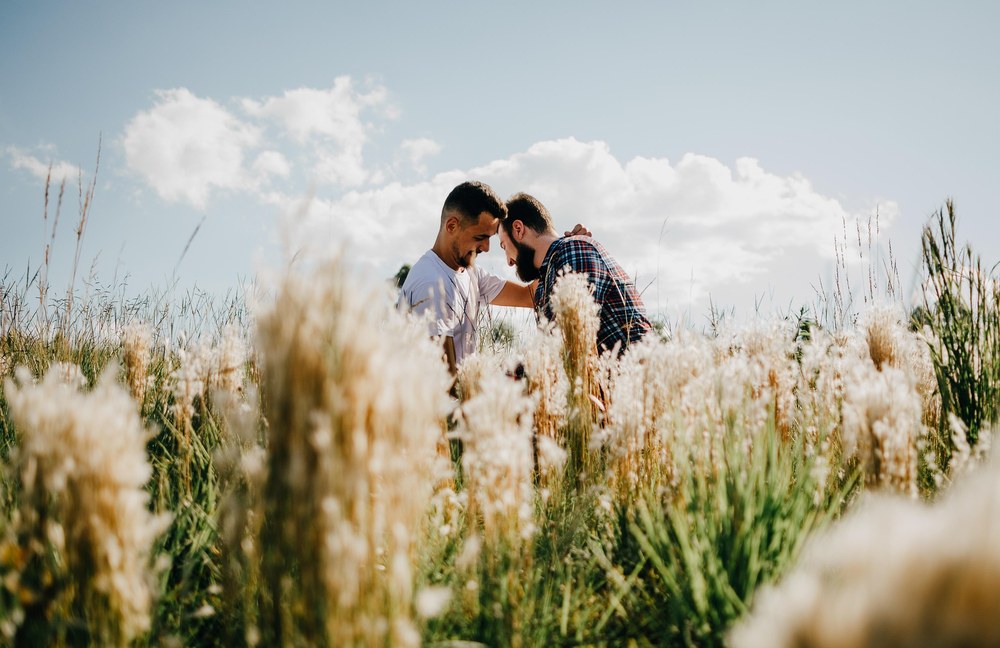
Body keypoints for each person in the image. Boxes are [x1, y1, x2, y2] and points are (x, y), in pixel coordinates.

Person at [398, 181, 589, 374]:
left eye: (490, 238)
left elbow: (528, 295)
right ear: (452, 226)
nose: (486, 248)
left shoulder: (472, 274)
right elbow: (444, 379)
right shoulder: (431, 283)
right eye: (480, 237)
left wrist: (565, 247)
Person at [497, 192, 652, 355]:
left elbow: (571, 345)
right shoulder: (543, 284)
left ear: (518, 229)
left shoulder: (573, 250)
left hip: (634, 376)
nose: (508, 261)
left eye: (503, 246)